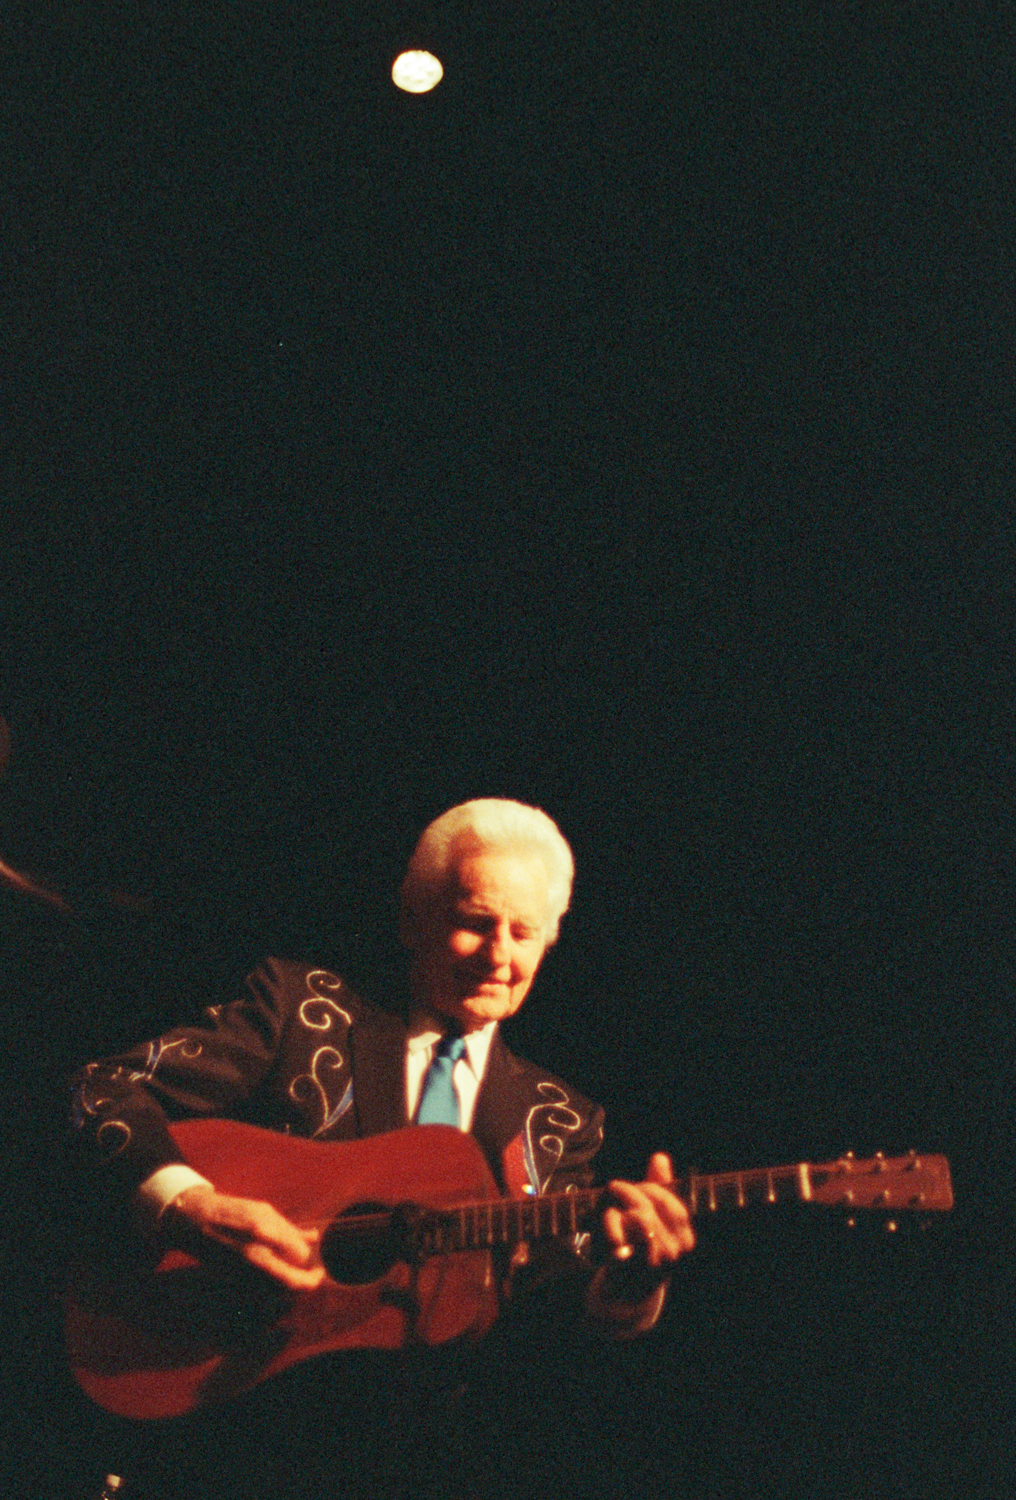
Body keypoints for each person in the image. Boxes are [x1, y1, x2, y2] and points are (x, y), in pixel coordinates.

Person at [69, 800, 694, 1499]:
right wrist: (187, 1206)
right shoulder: (304, 1011)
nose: (500, 955)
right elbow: (101, 1089)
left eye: (525, 933)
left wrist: (629, 1290)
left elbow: (546, 1325)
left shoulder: (558, 1121)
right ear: (411, 921)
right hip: (222, 1436)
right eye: (475, 923)